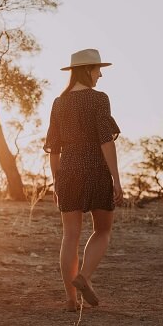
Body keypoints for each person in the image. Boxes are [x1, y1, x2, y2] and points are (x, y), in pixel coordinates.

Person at [44, 48, 123, 312]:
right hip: (96, 169)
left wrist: (56, 181)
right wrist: (116, 179)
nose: (100, 75)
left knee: (70, 236)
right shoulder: (99, 99)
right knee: (103, 230)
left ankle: (71, 299)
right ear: (88, 70)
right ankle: (84, 277)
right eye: (98, 70)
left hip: (68, 170)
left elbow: (54, 148)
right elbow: (106, 140)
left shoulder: (59, 102)